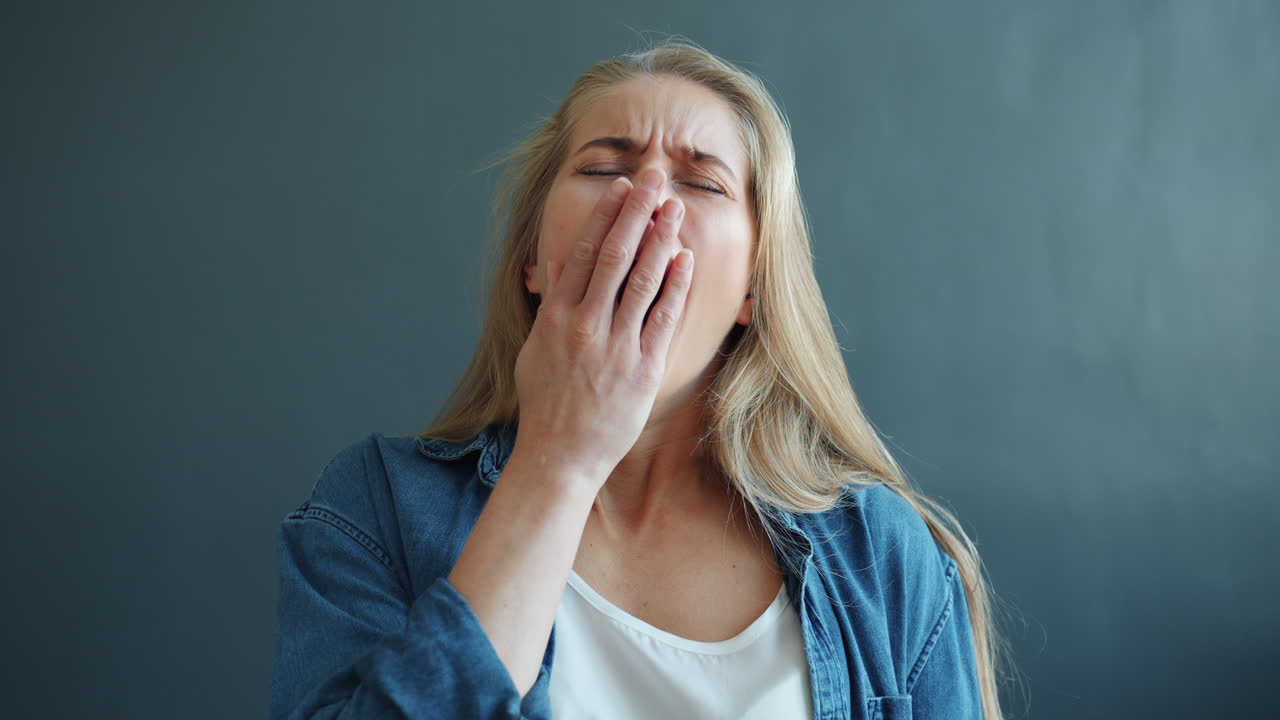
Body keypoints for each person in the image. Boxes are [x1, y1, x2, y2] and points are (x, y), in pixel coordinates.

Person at [269, 37, 1010, 720]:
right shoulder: (374, 509)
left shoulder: (879, 554)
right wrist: (557, 462)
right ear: (533, 260)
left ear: (753, 288)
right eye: (603, 169)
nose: (647, 202)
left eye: (703, 183)